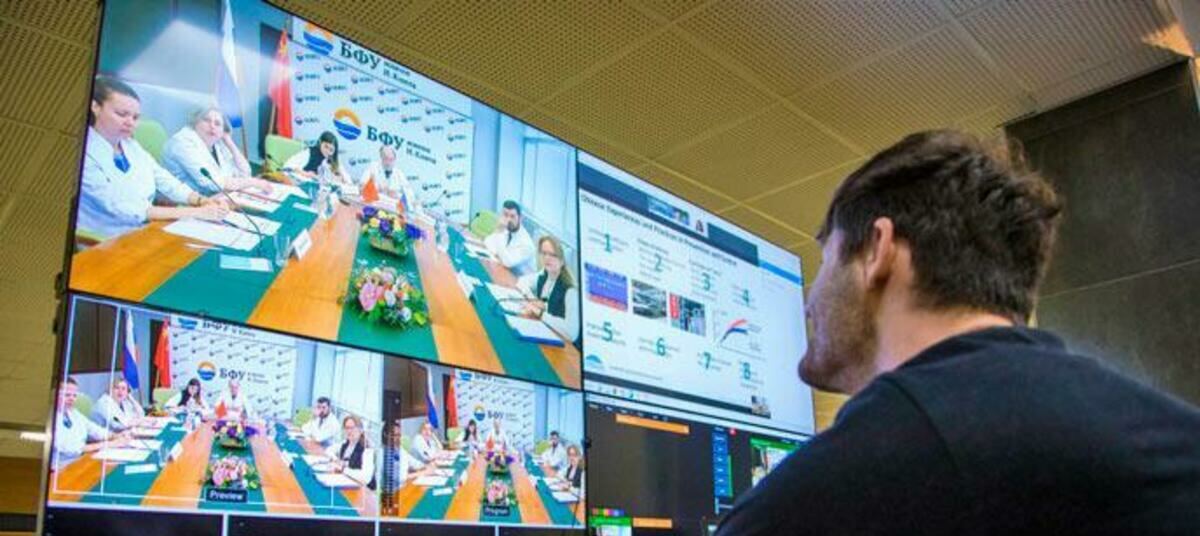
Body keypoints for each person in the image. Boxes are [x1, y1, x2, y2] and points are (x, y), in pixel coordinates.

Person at [715, 130, 1200, 535]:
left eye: (826, 260)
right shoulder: (1163, 436)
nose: (809, 300)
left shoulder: (826, 496)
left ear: (877, 249)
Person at [77, 76, 229, 240]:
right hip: (107, 240)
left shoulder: (131, 146)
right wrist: (197, 212)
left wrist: (201, 201)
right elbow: (125, 208)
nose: (130, 122)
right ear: (95, 107)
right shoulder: (85, 153)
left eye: (135, 117)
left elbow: (164, 180)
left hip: (144, 229)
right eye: (122, 114)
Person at [162, 106, 275, 197]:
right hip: (182, 204)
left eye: (217, 124)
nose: (212, 126)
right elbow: (212, 182)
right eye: (206, 120)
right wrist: (253, 182)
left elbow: (245, 172)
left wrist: (229, 141)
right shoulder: (182, 142)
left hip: (212, 197)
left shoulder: (217, 144)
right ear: (195, 123)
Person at [53, 377, 129, 469]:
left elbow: (94, 430)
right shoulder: (51, 418)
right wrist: (111, 444)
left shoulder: (73, 413)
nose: (72, 399)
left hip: (80, 461)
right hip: (61, 467)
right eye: (67, 395)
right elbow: (74, 448)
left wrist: (114, 436)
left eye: (74, 395)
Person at [517, 236, 580, 342]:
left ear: (562, 261)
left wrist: (540, 313)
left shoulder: (570, 291)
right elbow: (521, 281)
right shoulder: (544, 274)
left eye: (553, 255)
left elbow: (571, 333)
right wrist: (534, 300)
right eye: (544, 253)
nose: (547, 258)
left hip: (566, 345)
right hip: (546, 332)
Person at [484, 200, 536, 276]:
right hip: (507, 272)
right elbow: (487, 242)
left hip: (522, 279)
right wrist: (498, 230)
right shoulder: (507, 230)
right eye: (505, 215)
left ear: (520, 218)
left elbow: (507, 262)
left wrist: (500, 233)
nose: (508, 220)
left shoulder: (526, 244)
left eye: (512, 216)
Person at [325, 415, 376, 490]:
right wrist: (337, 460)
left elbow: (366, 478)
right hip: (347, 483)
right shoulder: (346, 443)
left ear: (360, 430)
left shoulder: (367, 449)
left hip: (363, 490)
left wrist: (343, 469)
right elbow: (328, 450)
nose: (349, 431)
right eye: (346, 428)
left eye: (352, 428)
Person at [358, 145, 417, 210]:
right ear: (381, 158)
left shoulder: (399, 174)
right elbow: (362, 185)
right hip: (372, 206)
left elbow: (410, 195)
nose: (388, 163)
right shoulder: (373, 167)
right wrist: (378, 189)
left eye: (391, 159)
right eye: (386, 159)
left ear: (395, 160)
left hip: (392, 209)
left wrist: (397, 195)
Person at [283, 131, 351, 185]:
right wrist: (306, 174)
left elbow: (347, 180)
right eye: (326, 146)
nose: (327, 151)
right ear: (320, 142)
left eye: (331, 150)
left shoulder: (334, 160)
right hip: (304, 186)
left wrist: (341, 177)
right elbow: (288, 166)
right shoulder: (309, 152)